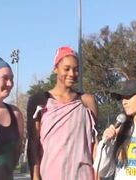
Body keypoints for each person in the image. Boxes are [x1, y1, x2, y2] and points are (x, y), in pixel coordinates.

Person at [27, 46, 98, 180]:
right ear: (55, 69)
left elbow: (94, 144)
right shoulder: (39, 101)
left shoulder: (87, 102)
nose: (72, 73)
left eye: (76, 70)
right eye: (66, 69)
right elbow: (33, 144)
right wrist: (35, 177)